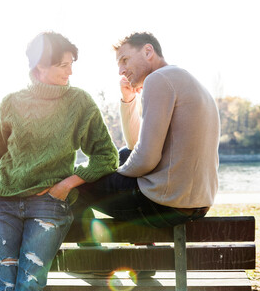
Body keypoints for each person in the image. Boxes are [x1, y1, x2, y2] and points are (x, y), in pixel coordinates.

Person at [0, 31, 118, 291]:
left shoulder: (80, 103)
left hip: (48, 205)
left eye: (71, 65)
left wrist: (66, 185)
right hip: (4, 203)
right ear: (40, 66)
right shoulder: (11, 102)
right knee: (5, 282)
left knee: (29, 282)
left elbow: (107, 156)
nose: (70, 72)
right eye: (63, 65)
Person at [74, 32, 220, 230]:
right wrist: (128, 100)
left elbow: (145, 160)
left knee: (75, 183)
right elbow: (135, 146)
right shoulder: (180, 78)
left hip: (166, 203)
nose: (121, 71)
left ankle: (89, 253)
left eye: (125, 60)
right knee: (124, 155)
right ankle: (140, 246)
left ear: (148, 51)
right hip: (196, 203)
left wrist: (110, 173)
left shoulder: (158, 79)